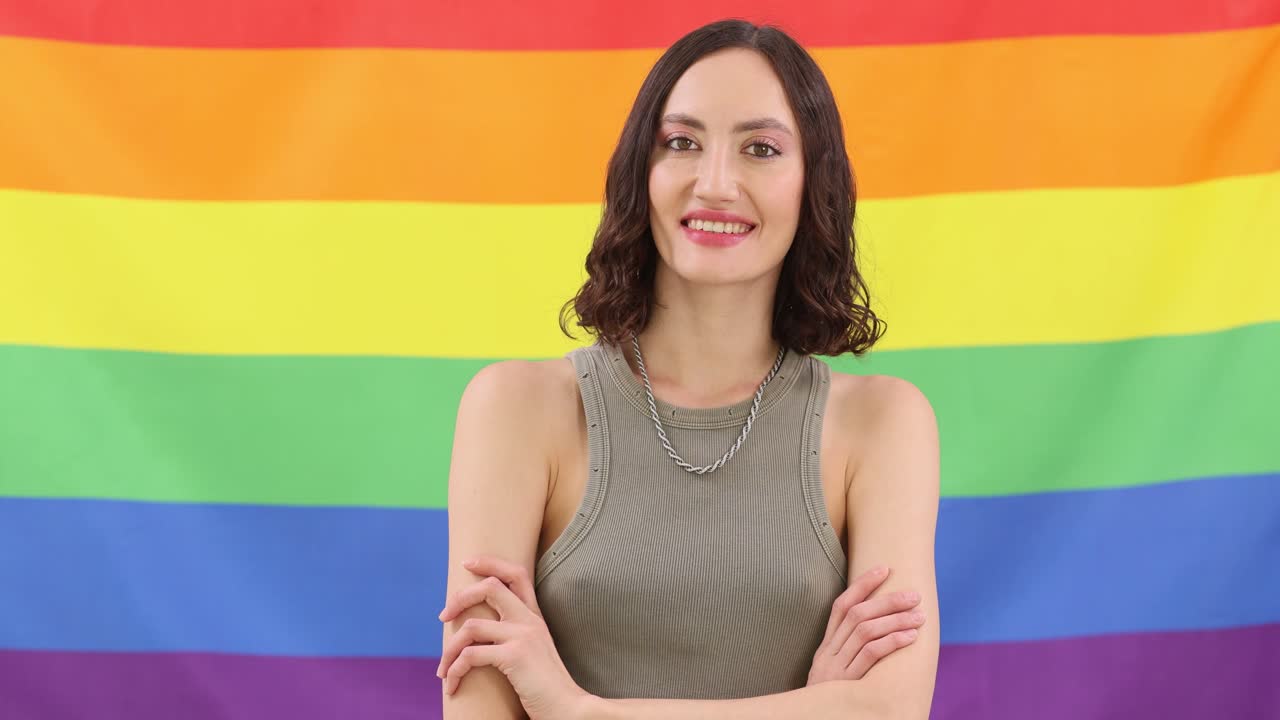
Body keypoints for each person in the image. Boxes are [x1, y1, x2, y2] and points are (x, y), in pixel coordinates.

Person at [437, 18, 940, 720]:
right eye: (681, 142)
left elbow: (891, 711)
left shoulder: (883, 423)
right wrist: (818, 706)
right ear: (640, 171)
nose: (715, 183)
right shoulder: (517, 409)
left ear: (812, 184)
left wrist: (577, 710)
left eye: (760, 149)